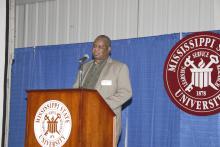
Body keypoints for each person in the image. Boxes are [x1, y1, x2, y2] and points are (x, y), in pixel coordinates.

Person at [73, 35, 132, 143]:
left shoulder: (119, 67)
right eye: (94, 46)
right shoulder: (84, 67)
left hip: (106, 119)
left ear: (109, 49)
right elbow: (75, 90)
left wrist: (101, 104)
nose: (96, 49)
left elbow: (126, 93)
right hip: (83, 119)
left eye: (100, 47)